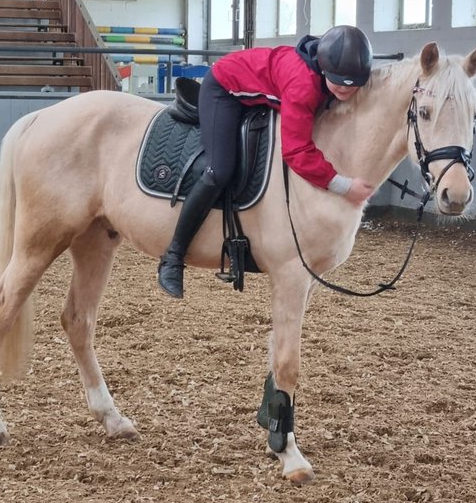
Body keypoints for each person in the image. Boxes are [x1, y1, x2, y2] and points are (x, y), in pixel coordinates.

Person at [158, 24, 376, 298]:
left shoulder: (337, 75)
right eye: (337, 81)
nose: (346, 90)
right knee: (219, 170)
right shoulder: (303, 85)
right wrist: (343, 186)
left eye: (354, 84)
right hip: (224, 88)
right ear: (322, 68)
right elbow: (296, 152)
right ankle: (173, 256)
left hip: (260, 88)